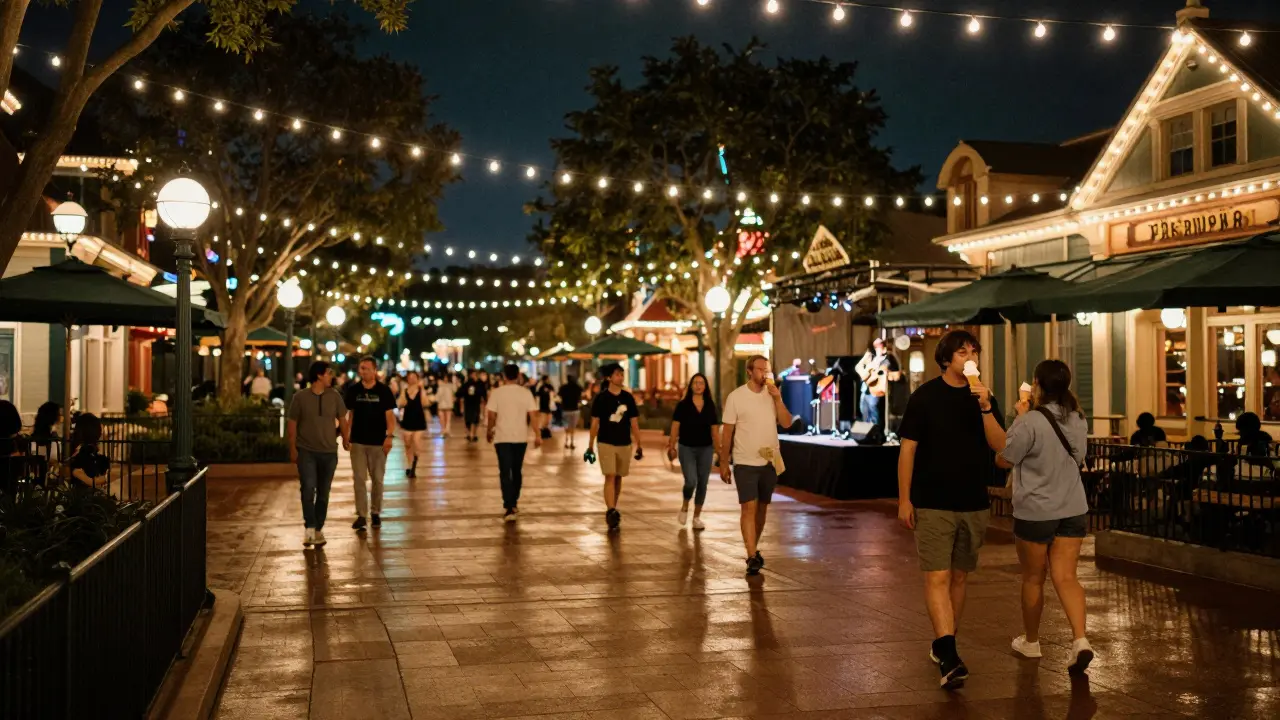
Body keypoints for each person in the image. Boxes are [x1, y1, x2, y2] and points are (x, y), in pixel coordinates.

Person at [896, 329, 1003, 690]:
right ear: (945, 359)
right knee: (937, 577)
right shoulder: (925, 397)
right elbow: (908, 449)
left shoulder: (984, 396)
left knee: (959, 577)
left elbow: (1000, 447)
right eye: (962, 352)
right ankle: (950, 655)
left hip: (973, 501)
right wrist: (904, 499)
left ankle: (945, 644)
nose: (970, 357)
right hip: (933, 501)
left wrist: (986, 406)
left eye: (974, 351)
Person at [981, 359, 1094, 675]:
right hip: (1072, 506)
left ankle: (1031, 641)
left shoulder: (1030, 420)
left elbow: (1004, 458)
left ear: (1038, 386)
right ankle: (1080, 639)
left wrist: (1019, 417)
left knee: (1033, 577)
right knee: (1067, 577)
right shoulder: (1077, 418)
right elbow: (1080, 456)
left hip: (1036, 509)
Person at [720, 356, 790, 574]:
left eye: (767, 370)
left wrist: (778, 399)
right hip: (745, 461)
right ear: (749, 371)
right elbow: (727, 433)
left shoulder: (772, 395)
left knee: (762, 509)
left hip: (770, 461)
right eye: (760, 369)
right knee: (748, 507)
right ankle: (751, 555)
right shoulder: (736, 397)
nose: (764, 374)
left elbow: (786, 423)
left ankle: (754, 548)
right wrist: (723, 462)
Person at [288, 361, 350, 548]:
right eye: (328, 373)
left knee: (323, 493)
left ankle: (318, 529)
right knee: (308, 488)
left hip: (329, 452)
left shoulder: (335, 396)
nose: (331, 376)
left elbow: (342, 419)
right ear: (319, 375)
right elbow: (292, 423)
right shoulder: (300, 397)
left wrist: (346, 439)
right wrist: (292, 448)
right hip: (307, 451)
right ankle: (310, 527)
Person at [343, 356, 396, 531]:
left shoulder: (384, 391)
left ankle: (375, 512)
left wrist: (389, 437)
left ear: (374, 370)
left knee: (377, 479)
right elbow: (350, 415)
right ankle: (361, 515)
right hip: (358, 441)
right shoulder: (353, 390)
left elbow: (390, 416)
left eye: (365, 368)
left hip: (378, 442)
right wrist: (346, 435)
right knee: (359, 479)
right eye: (361, 368)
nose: (362, 371)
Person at [588, 363, 641, 531]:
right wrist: (590, 445)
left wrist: (639, 443)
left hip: (624, 442)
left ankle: (613, 509)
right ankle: (611, 510)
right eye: (617, 374)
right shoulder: (601, 398)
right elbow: (595, 422)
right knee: (610, 475)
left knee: (618, 477)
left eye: (622, 374)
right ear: (609, 377)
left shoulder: (628, 398)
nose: (621, 377)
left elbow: (634, 422)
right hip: (606, 442)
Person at [486, 364, 542, 521]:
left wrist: (489, 431)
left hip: (502, 437)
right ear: (518, 376)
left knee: (505, 471)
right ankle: (514, 501)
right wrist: (538, 435)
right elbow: (533, 415)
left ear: (504, 376)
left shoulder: (497, 393)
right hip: (520, 437)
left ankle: (508, 504)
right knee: (517, 470)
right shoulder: (526, 393)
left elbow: (491, 416)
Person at [667, 373, 719, 531]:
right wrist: (671, 445)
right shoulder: (683, 405)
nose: (698, 385)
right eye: (695, 382)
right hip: (686, 447)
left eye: (701, 383)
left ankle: (696, 517)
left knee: (703, 482)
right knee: (691, 480)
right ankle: (684, 506)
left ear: (705, 386)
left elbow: (715, 430)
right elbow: (675, 426)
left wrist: (720, 450)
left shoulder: (710, 405)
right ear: (691, 386)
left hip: (706, 448)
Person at [856, 337, 902, 427]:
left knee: (873, 411)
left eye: (878, 345)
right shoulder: (871, 358)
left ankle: (875, 430)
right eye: (875, 346)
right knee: (863, 410)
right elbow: (860, 368)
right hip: (865, 389)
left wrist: (884, 372)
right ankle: (866, 430)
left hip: (876, 390)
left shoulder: (887, 359)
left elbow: (894, 374)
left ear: (883, 347)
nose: (876, 348)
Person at [398, 371, 430, 478]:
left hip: (419, 420)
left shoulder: (421, 390)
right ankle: (409, 465)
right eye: (410, 377)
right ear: (407, 379)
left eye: (414, 377)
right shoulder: (404, 390)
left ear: (417, 378)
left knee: (416, 442)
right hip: (407, 420)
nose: (412, 379)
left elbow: (425, 403)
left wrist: (422, 389)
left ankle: (414, 466)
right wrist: (406, 394)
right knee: (407, 444)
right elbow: (400, 403)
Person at [68, 413, 110, 488]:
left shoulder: (82, 450)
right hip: (82, 493)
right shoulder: (82, 454)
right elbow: (90, 481)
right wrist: (106, 478)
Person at [461, 370, 488, 443]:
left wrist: (485, 400)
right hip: (468, 404)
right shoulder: (467, 384)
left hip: (476, 404)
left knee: (475, 420)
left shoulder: (480, 383)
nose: (474, 376)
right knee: (468, 420)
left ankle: (472, 434)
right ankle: (471, 434)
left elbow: (483, 393)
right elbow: (461, 392)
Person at [559, 375, 584, 449]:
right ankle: (572, 442)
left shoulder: (563, 387)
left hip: (565, 410)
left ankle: (566, 441)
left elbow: (559, 396)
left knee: (566, 426)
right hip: (575, 410)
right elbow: (581, 395)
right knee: (573, 427)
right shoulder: (577, 387)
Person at [435, 370, 456, 437]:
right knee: (442, 419)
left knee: (448, 419)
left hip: (448, 404)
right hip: (441, 404)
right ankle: (443, 430)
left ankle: (447, 430)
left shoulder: (451, 385)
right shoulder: (439, 385)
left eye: (446, 377)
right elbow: (438, 395)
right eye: (444, 377)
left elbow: (455, 391)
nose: (445, 379)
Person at [536, 376, 555, 440]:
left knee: (547, 420)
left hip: (548, 406)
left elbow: (553, 394)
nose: (548, 380)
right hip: (543, 406)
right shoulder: (540, 386)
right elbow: (538, 396)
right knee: (544, 420)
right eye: (548, 379)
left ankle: (545, 433)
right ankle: (543, 433)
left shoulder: (550, 386)